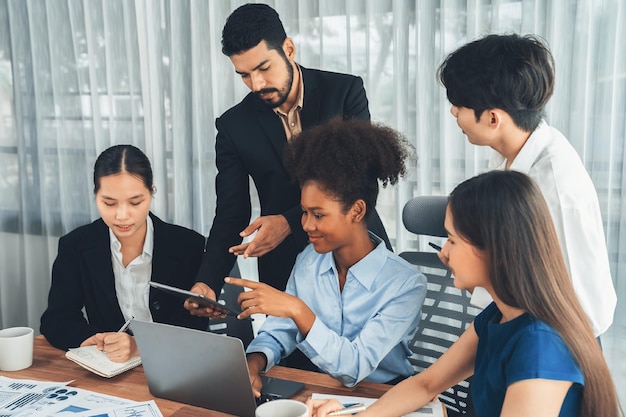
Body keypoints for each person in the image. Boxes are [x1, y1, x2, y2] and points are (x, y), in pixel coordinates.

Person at [309, 170, 621, 417]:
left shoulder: (540, 348)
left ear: (494, 250)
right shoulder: (498, 316)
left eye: (452, 240)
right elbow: (426, 383)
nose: (443, 254)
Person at [186, 3, 391, 316]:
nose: (256, 84)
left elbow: (359, 180)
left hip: (356, 255)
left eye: (264, 68)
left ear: (289, 49)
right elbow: (231, 212)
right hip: (285, 270)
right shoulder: (233, 126)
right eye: (244, 75)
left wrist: (288, 222)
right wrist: (207, 281)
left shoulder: (344, 92)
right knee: (284, 362)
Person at [225, 118, 427, 394]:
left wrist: (297, 309)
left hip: (384, 397)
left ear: (356, 211)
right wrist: (253, 362)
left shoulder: (406, 283)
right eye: (304, 212)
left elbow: (354, 367)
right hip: (322, 391)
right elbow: (280, 331)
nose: (306, 225)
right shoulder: (309, 261)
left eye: (318, 215)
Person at [437, 33, 616, 337]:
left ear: (493, 118)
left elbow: (582, 311)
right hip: (513, 324)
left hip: (557, 347)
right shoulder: (510, 151)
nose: (453, 111)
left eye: (460, 104)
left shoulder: (554, 189)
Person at [40, 145, 208, 362]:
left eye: (135, 202)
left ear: (152, 192)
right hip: (110, 368)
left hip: (177, 363)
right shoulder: (75, 245)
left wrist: (140, 346)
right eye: (109, 203)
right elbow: (56, 317)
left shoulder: (188, 245)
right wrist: (91, 339)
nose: (122, 215)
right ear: (95, 193)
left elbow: (195, 323)